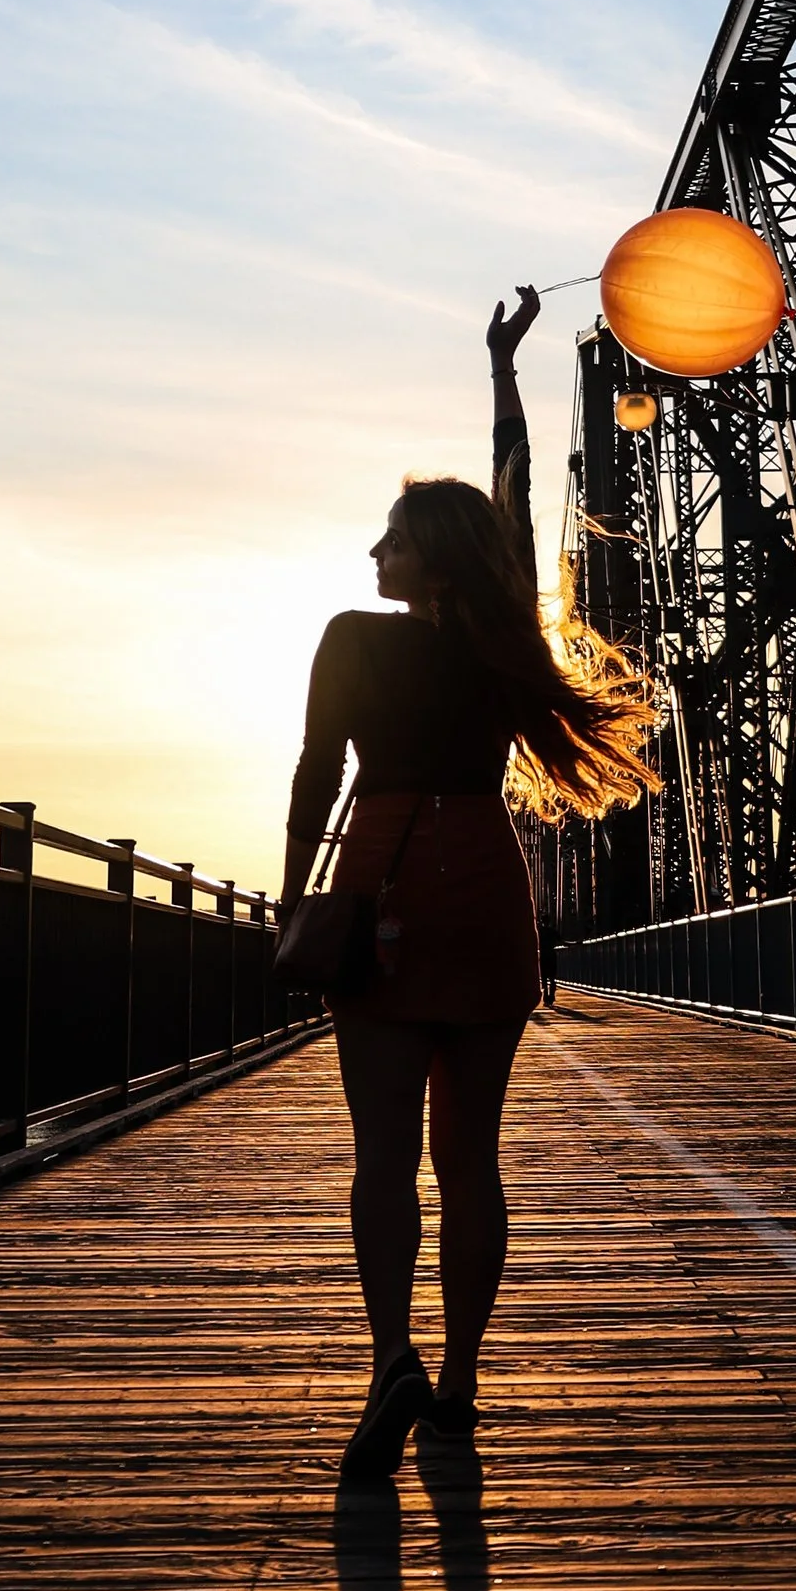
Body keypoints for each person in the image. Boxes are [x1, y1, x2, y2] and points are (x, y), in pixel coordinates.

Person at [281, 287, 657, 1487]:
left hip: (384, 875)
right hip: (483, 881)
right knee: (474, 1161)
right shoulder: (500, 647)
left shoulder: (350, 635)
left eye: (389, 537)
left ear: (423, 555)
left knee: (381, 1156)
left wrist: (297, 905)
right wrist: (503, 373)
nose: (373, 554)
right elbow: (514, 484)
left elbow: (310, 777)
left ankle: (388, 1356)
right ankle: (458, 1383)